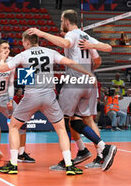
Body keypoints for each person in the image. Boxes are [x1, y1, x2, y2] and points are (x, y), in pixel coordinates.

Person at [27, 9, 117, 171]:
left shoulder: (72, 35)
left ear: (66, 21)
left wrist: (42, 33)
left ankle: (69, 160)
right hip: (89, 81)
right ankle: (96, 153)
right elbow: (103, 53)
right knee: (80, 119)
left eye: (62, 21)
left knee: (62, 120)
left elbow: (65, 43)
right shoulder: (85, 36)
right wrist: (90, 57)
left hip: (75, 80)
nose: (61, 24)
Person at [0, 30, 96, 175]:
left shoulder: (23, 55)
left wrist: (2, 58)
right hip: (49, 95)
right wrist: (89, 73)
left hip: (31, 95)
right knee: (61, 129)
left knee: (13, 126)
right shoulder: (50, 52)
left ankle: (13, 165)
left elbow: (2, 68)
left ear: (26, 42)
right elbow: (71, 62)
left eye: (23, 42)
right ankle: (69, 165)